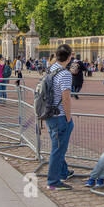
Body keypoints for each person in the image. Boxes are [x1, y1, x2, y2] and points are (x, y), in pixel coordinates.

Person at [38, 43, 78, 188]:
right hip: (60, 115)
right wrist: (68, 118)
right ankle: (53, 181)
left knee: (58, 146)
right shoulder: (65, 74)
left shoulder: (50, 69)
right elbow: (66, 99)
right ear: (68, 58)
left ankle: (63, 172)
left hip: (49, 114)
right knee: (58, 150)